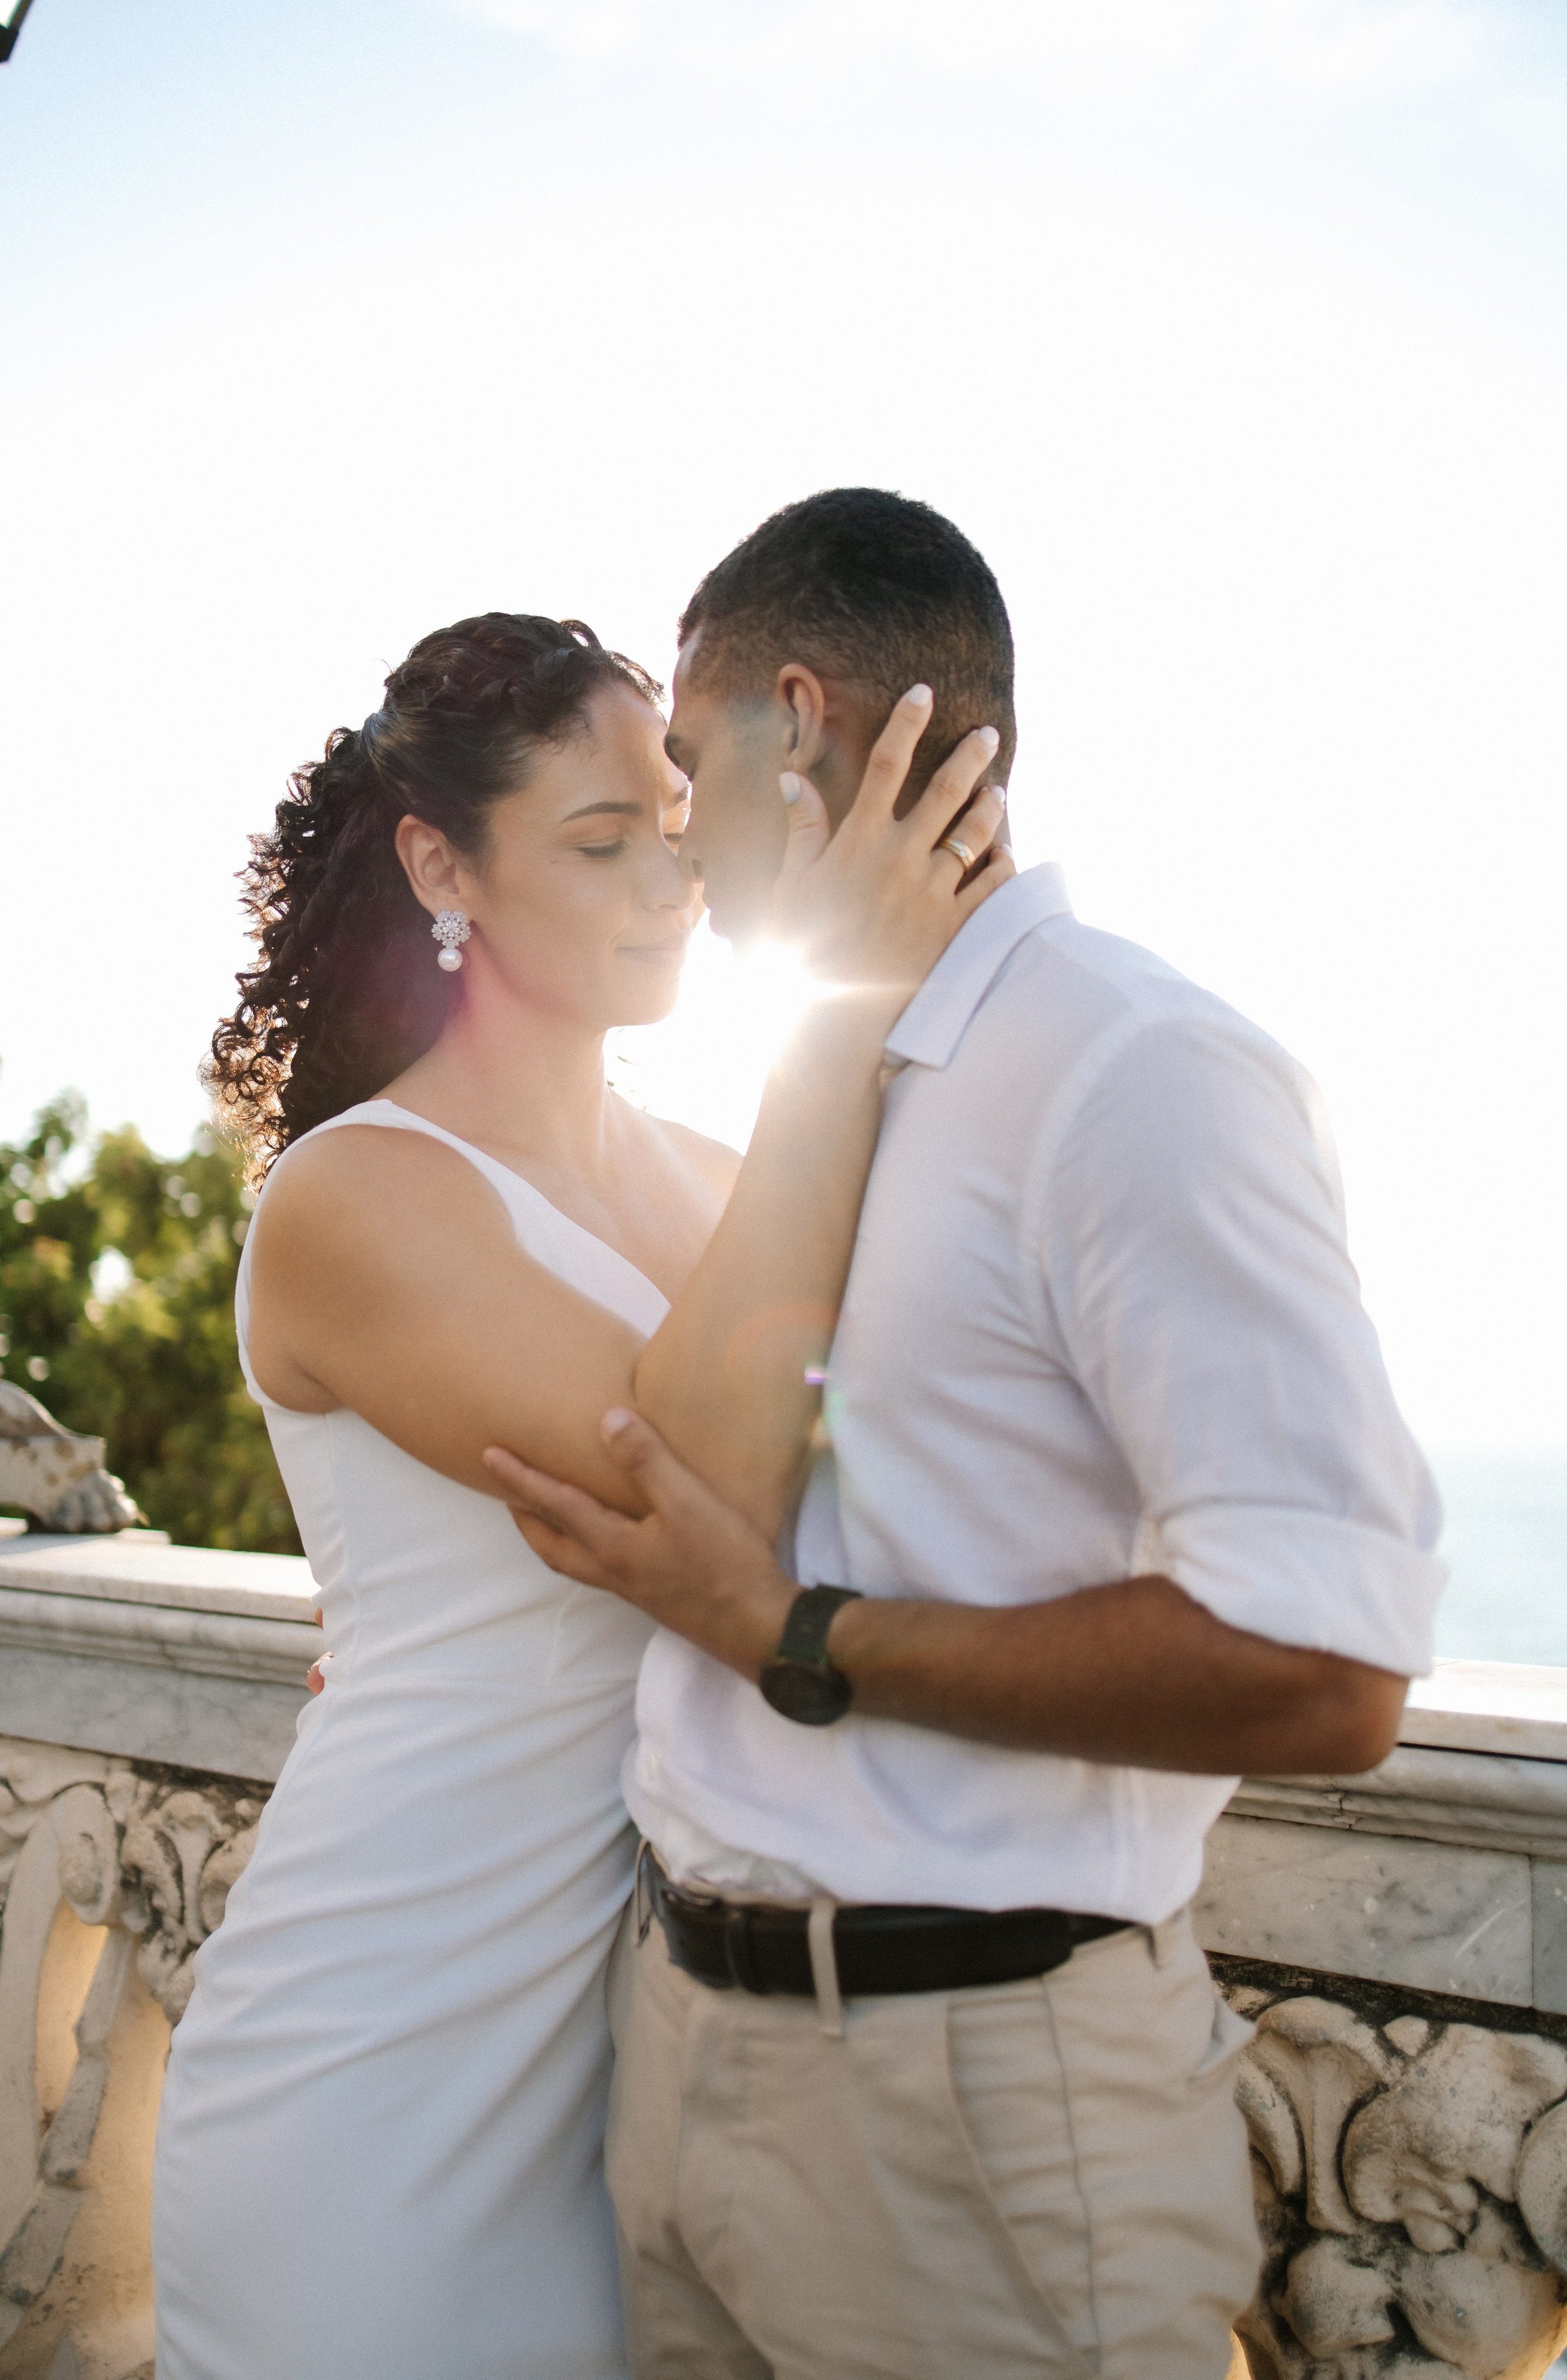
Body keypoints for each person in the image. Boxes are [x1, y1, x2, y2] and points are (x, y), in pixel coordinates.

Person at [484, 489, 1449, 2380]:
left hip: (976, 2119)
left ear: (798, 724)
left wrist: (800, 1637)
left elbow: (1331, 1671)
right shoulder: (830, 1077)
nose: (677, 829)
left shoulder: (1137, 1068)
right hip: (680, 2057)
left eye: (688, 771)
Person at [151, 607, 1010, 2379]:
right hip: (385, 2050)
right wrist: (843, 1019)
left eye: (677, 830)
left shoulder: (718, 1177)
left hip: (661, 2052)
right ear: (440, 866)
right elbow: (698, 1487)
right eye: (602, 841)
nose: (672, 883)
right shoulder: (353, 1197)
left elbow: (937, 1454)